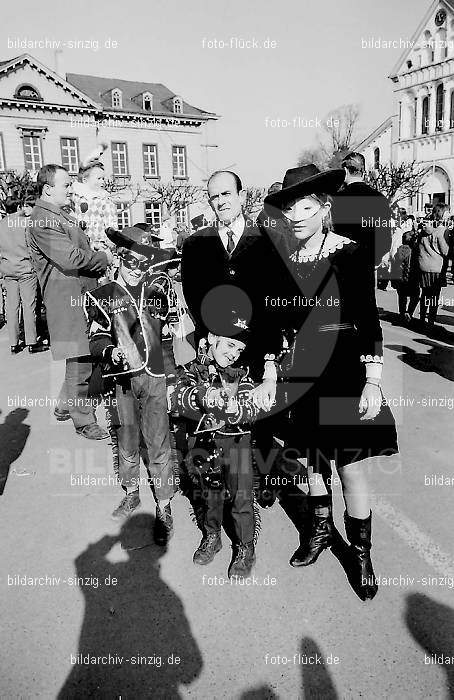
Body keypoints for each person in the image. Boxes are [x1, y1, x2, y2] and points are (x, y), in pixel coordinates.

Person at [263, 168, 399, 601]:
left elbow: (367, 318)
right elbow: (275, 322)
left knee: (351, 466)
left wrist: (372, 380)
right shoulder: (282, 257)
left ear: (325, 208)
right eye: (289, 208)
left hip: (343, 373)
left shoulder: (351, 254)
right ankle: (321, 532)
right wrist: (270, 369)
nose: (297, 215)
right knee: (312, 460)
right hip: (300, 375)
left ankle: (360, 553)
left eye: (306, 206)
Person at [85, 225, 180, 545]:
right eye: (131, 262)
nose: (137, 270)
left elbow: (166, 341)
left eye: (144, 263)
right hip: (121, 382)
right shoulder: (102, 297)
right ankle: (131, 492)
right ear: (119, 258)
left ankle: (164, 505)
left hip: (154, 380)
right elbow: (96, 339)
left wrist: (170, 380)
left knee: (158, 443)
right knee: (126, 440)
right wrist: (110, 351)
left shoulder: (157, 293)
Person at [169, 308, 262, 578]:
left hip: (237, 444)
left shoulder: (243, 374)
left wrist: (239, 410)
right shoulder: (191, 370)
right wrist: (203, 395)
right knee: (209, 495)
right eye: (230, 344)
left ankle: (246, 546)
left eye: (239, 349)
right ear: (212, 338)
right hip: (203, 445)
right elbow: (177, 396)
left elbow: (253, 405)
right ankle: (213, 535)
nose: (234, 353)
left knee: (242, 495)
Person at [28, 164, 111, 440]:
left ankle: (65, 406)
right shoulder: (43, 219)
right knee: (81, 359)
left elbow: (77, 248)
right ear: (48, 189)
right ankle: (84, 421)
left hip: (77, 291)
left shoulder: (58, 213)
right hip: (66, 296)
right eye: (65, 185)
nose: (71, 189)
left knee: (77, 355)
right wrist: (102, 259)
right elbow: (70, 258)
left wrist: (92, 248)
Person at [0, 197, 46, 353]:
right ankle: (32, 342)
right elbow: (32, 247)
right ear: (19, 206)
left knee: (11, 307)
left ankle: (14, 344)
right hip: (26, 268)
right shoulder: (25, 224)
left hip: (8, 269)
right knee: (29, 306)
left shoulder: (1, 225)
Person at [331, 152, 393, 266]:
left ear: (345, 170)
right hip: (368, 264)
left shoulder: (336, 200)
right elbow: (385, 237)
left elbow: (332, 233)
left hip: (341, 264)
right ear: (363, 171)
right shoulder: (380, 199)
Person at [417, 204, 450, 328]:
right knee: (434, 296)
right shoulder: (441, 231)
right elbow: (445, 251)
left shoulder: (424, 229)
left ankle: (421, 319)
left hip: (423, 265)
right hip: (436, 267)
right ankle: (430, 321)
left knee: (425, 293)